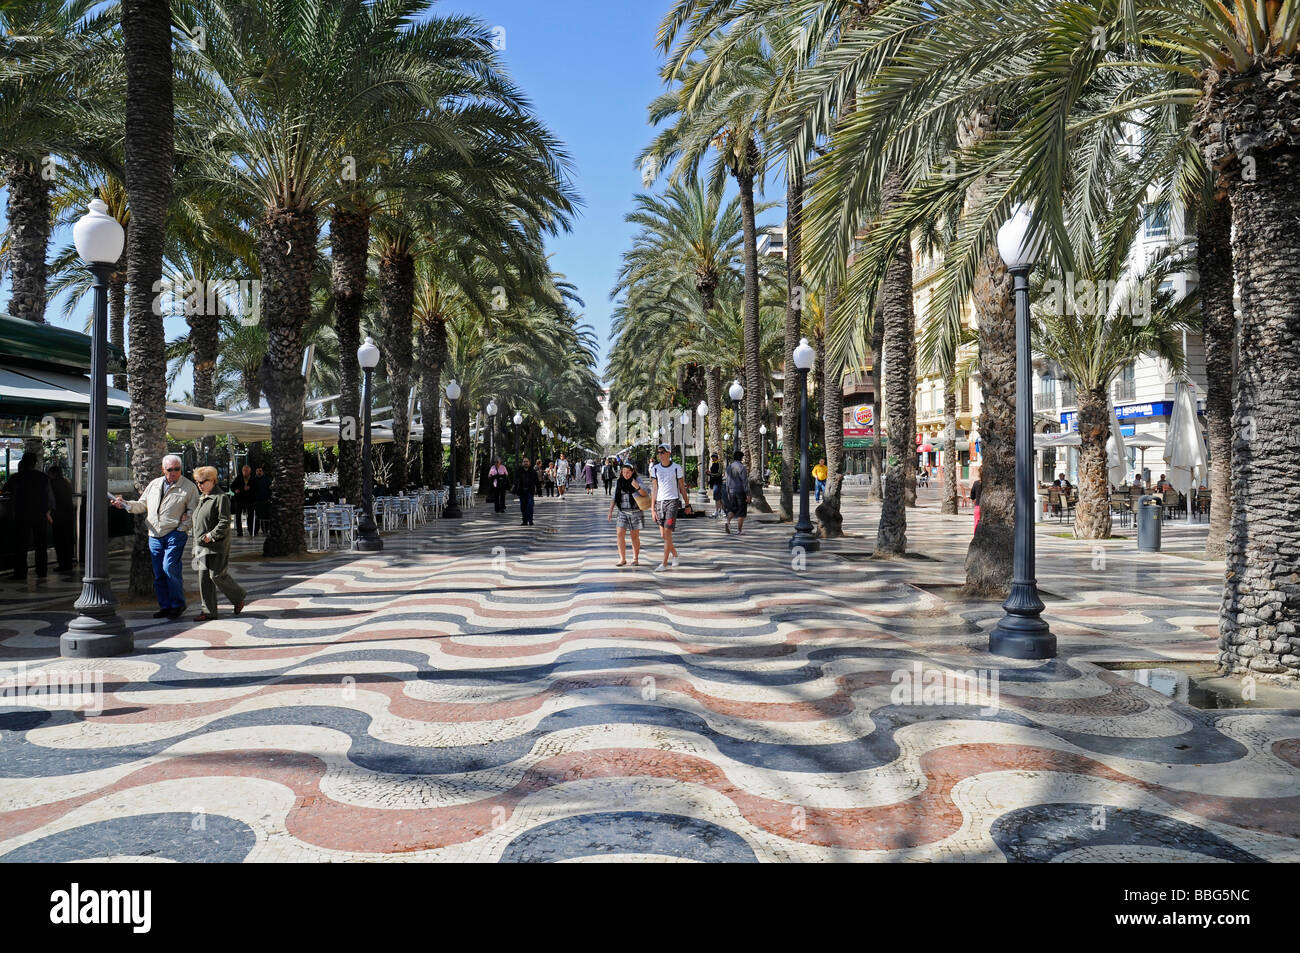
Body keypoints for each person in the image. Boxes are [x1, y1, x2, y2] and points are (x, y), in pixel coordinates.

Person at [114, 453, 199, 619]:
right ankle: (165, 606)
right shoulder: (154, 484)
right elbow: (141, 504)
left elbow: (194, 511)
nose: (174, 472)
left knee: (170, 568)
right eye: (170, 469)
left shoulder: (189, 487)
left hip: (175, 533)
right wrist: (125, 504)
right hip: (154, 534)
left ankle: (177, 604)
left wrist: (183, 527)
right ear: (163, 470)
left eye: (177, 469)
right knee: (159, 573)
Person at [191, 466, 247, 622]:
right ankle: (208, 611)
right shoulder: (202, 497)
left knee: (217, 576)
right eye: (197, 482)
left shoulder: (220, 497)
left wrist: (211, 536)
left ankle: (238, 596)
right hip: (200, 546)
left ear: (212, 481)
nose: (199, 485)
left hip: (216, 545)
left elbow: (224, 521)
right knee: (203, 579)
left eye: (202, 481)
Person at [4, 451, 53, 586]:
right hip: (39, 515)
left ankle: (20, 572)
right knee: (41, 545)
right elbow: (50, 497)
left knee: (21, 545)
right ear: (35, 463)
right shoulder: (43, 477)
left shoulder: (17, 477)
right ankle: (41, 571)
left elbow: (4, 490)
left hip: (22, 514)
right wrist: (47, 511)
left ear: (23, 462)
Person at [649, 444, 692, 572]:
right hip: (659, 504)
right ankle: (675, 554)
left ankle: (664, 563)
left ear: (669, 453)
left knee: (667, 533)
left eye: (663, 452)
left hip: (672, 502)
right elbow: (654, 489)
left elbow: (682, 487)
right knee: (664, 535)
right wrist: (652, 509)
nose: (660, 455)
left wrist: (687, 504)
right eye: (659, 453)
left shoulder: (676, 468)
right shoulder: (655, 469)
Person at [608, 460, 648, 566]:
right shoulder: (619, 481)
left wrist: (637, 487)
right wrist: (610, 511)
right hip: (622, 512)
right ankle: (622, 558)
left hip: (636, 512)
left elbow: (645, 493)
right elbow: (614, 497)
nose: (625, 474)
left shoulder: (637, 480)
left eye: (628, 472)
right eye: (623, 472)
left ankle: (635, 558)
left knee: (634, 536)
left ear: (632, 472)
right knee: (620, 534)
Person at [46, 464, 76, 574]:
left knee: (59, 540)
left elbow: (51, 500)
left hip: (58, 515)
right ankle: (67, 563)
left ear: (52, 474)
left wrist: (49, 513)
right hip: (68, 514)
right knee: (67, 540)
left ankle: (62, 564)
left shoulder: (52, 484)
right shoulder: (66, 482)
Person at [724, 450, 750, 535]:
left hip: (731, 491)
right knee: (741, 511)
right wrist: (748, 494)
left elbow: (727, 481)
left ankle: (728, 522)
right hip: (740, 491)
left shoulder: (729, 467)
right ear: (741, 458)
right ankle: (739, 530)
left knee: (732, 509)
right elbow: (745, 482)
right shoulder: (742, 467)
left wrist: (728, 492)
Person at [232, 464, 255, 536]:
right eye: (244, 470)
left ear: (250, 471)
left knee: (250, 516)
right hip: (239, 499)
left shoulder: (253, 478)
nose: (245, 472)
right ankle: (239, 532)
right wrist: (235, 490)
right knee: (238, 516)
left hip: (249, 500)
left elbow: (256, 489)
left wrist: (250, 488)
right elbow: (232, 486)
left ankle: (251, 531)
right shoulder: (239, 477)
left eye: (246, 471)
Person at [515, 457, 540, 525]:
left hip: (530, 491)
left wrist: (539, 490)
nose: (526, 463)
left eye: (527, 461)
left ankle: (530, 520)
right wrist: (515, 489)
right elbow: (516, 481)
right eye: (524, 461)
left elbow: (536, 481)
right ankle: (524, 520)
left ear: (529, 463)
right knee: (523, 507)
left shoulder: (532, 471)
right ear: (522, 463)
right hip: (521, 491)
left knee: (530, 505)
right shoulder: (519, 471)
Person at [252, 464, 272, 536]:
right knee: (256, 517)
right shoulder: (253, 480)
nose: (259, 472)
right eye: (257, 471)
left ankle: (265, 530)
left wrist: (269, 498)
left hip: (265, 501)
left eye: (260, 471)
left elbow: (270, 490)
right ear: (255, 472)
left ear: (263, 472)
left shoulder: (267, 480)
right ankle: (255, 531)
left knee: (265, 516)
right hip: (256, 502)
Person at [708, 452, 724, 518]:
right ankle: (719, 511)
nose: (712, 458)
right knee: (717, 497)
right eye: (712, 457)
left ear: (716, 457)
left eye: (713, 457)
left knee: (718, 497)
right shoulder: (713, 464)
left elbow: (719, 473)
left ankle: (720, 511)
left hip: (718, 483)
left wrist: (710, 474)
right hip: (714, 483)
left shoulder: (719, 463)